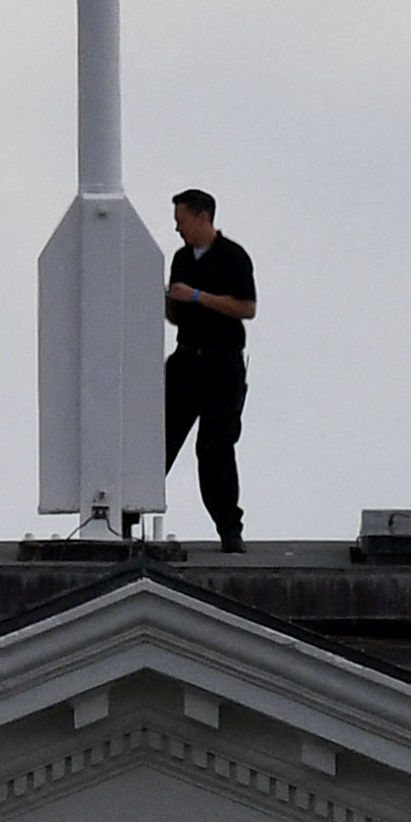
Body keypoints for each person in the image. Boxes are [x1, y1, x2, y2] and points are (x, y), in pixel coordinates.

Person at [161, 188, 256, 551]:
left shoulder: (233, 257)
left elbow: (246, 307)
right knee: (159, 440)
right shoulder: (182, 258)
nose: (178, 230)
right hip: (186, 358)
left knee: (215, 446)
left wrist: (197, 296)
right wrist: (168, 301)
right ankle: (125, 518)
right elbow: (177, 314)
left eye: (181, 221)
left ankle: (229, 529)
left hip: (222, 361)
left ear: (202, 217)